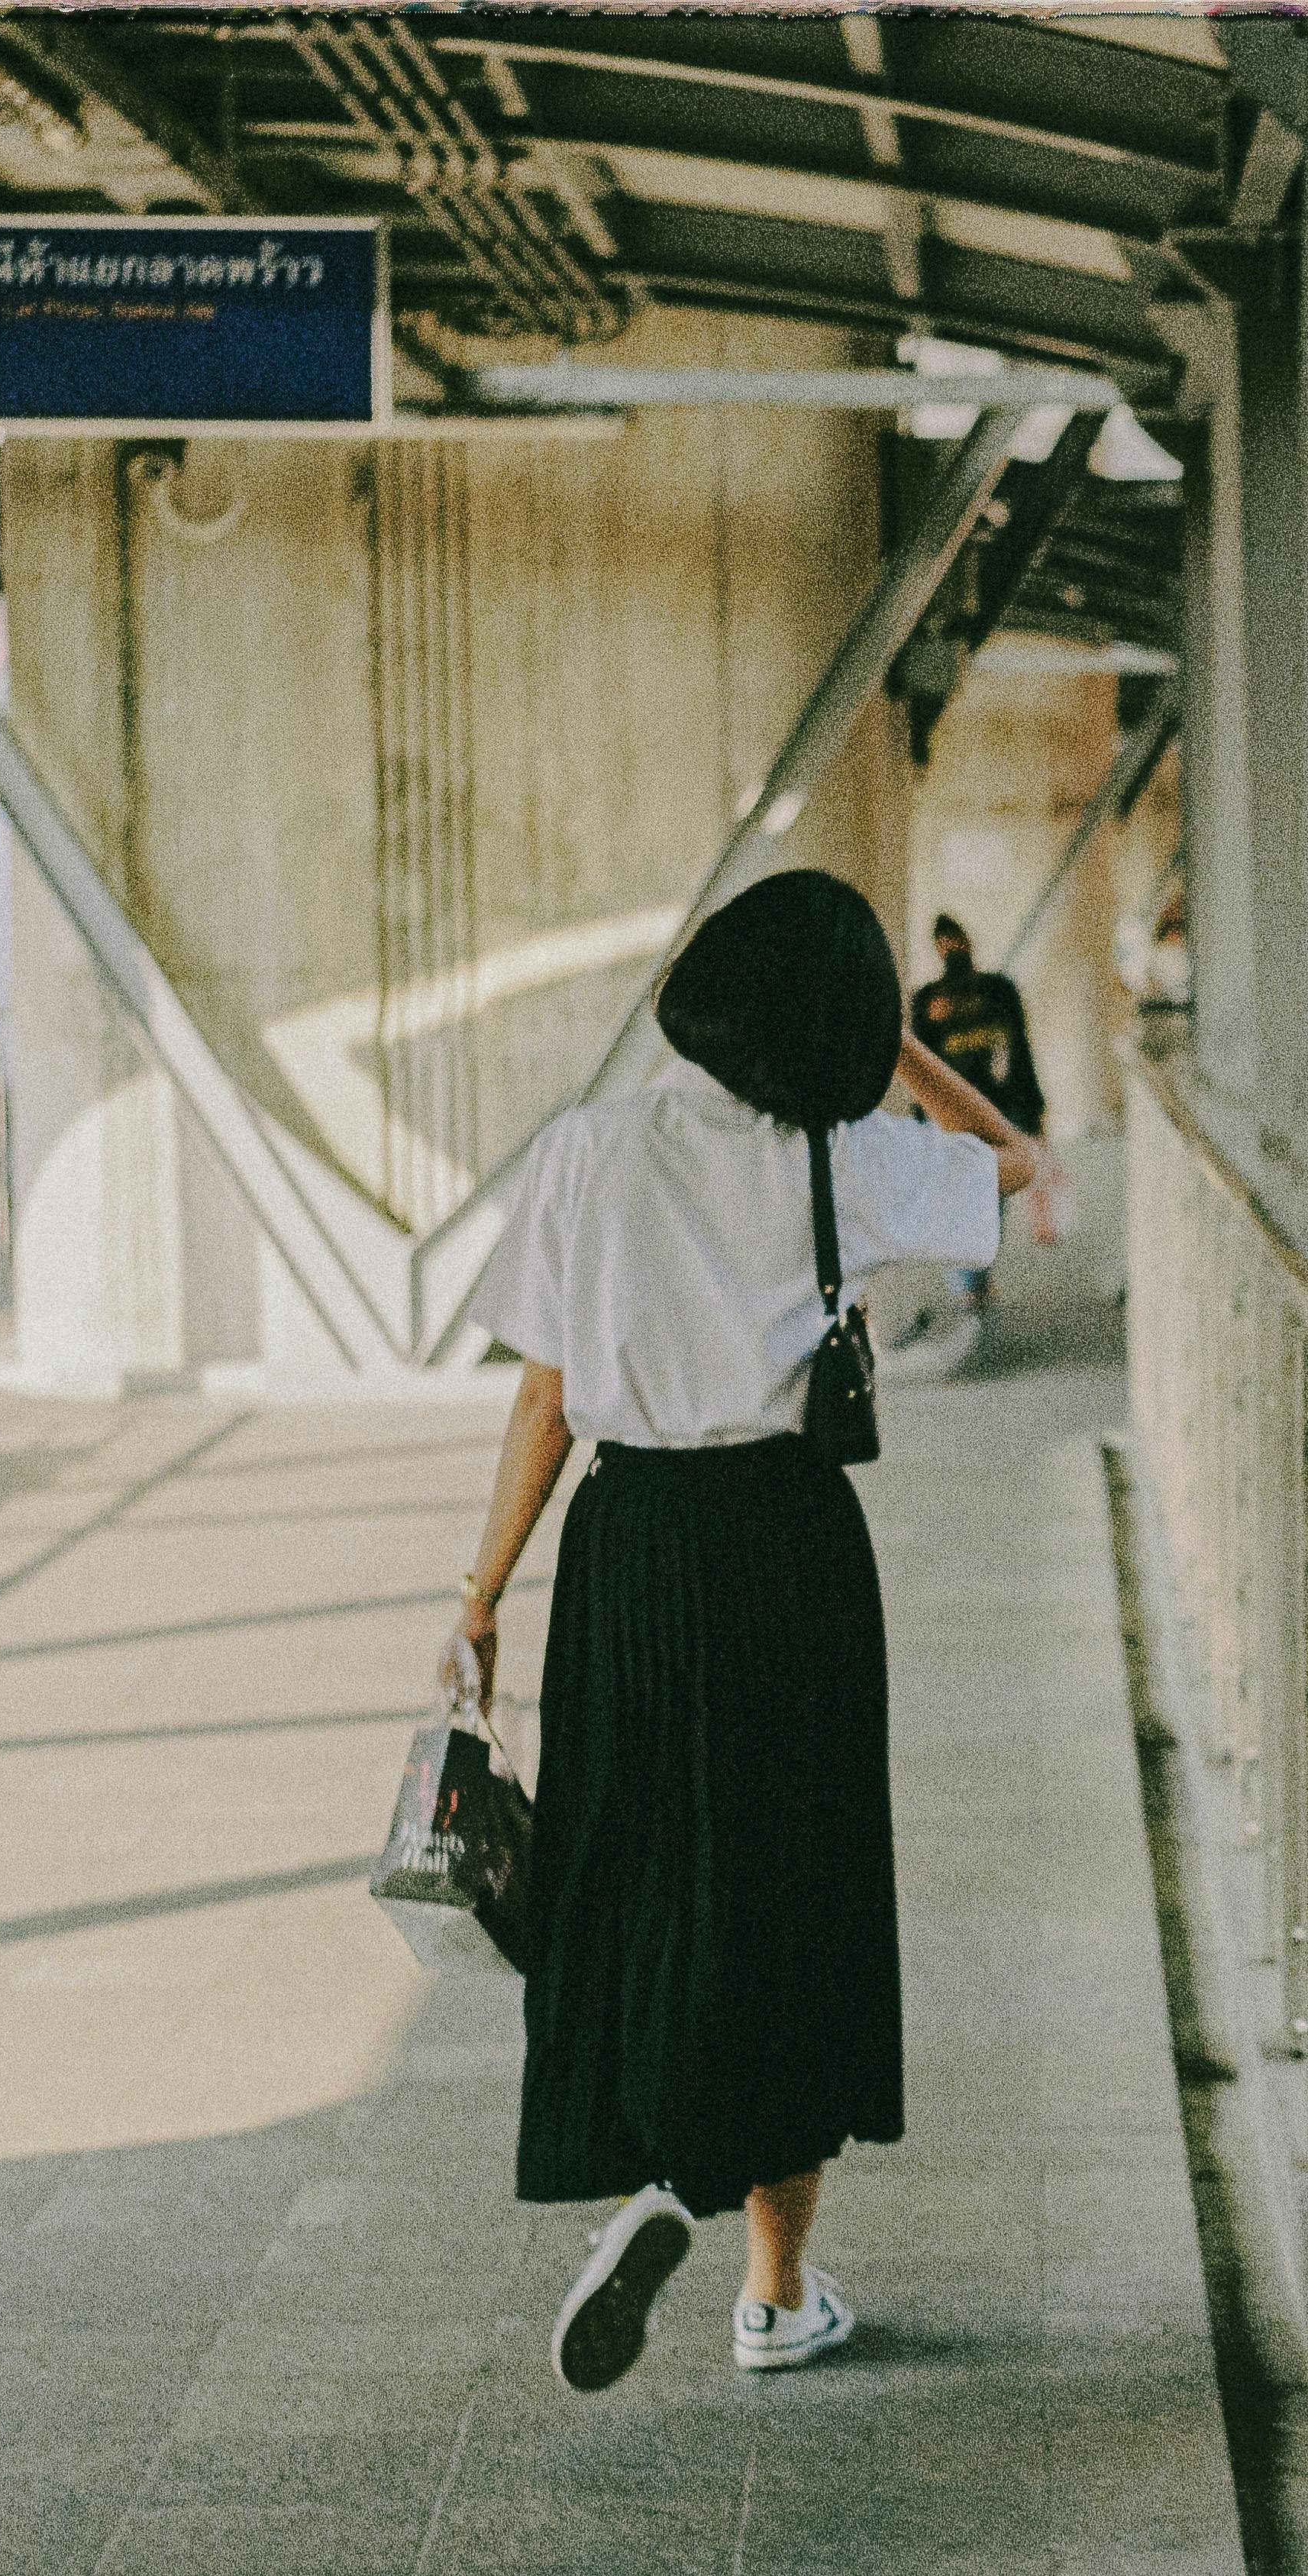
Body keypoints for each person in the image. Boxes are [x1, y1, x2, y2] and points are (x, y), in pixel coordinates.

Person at [449, 869, 1042, 2393]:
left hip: (631, 1546)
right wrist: (898, 1048)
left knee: (635, 1869)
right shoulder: (854, 1158)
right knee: (797, 1892)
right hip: (791, 1549)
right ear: (841, 1022)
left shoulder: (589, 1150)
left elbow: (545, 1393)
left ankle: (662, 2166)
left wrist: (480, 1595)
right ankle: (771, 2289)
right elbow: (1022, 1165)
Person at [909, 917, 1051, 1309]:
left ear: (969, 943)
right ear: (937, 950)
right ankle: (970, 1282)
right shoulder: (928, 1001)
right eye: (945, 945)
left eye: (957, 941)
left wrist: (1034, 1109)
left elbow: (1020, 1050)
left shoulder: (999, 991)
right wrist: (922, 1118)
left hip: (999, 1111)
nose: (952, 951)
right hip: (953, 1116)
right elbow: (920, 1064)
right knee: (965, 1190)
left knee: (990, 1191)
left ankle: (974, 1275)